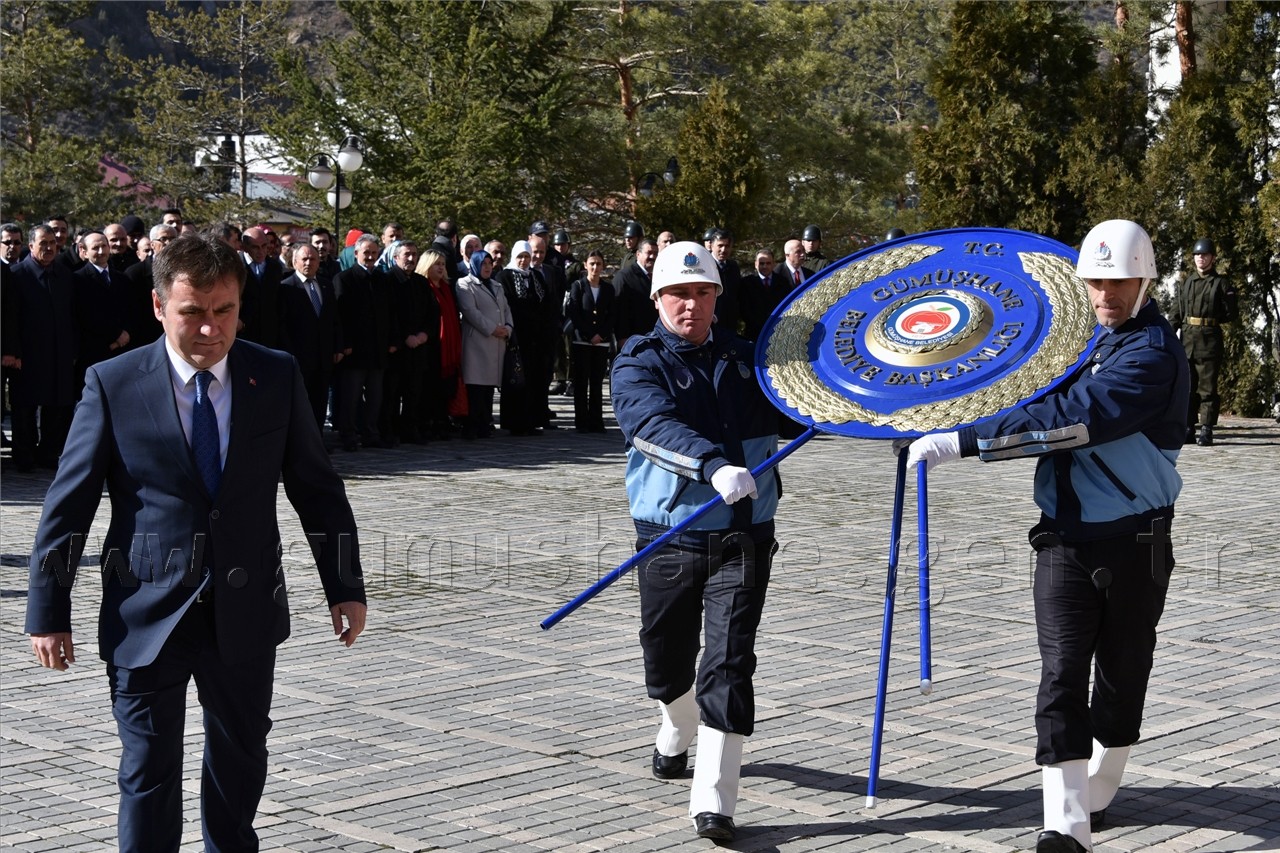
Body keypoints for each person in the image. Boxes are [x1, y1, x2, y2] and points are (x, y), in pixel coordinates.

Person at [24, 233, 367, 853]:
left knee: (240, 762)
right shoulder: (113, 383)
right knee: (148, 770)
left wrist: (344, 585)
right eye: (192, 312)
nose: (210, 329)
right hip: (145, 612)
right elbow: (68, 505)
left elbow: (317, 489)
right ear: (159, 306)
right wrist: (48, 611)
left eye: (224, 311)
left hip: (246, 609)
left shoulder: (276, 374)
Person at [905, 220, 1189, 853]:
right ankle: (1065, 824)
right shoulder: (1083, 343)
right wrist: (930, 405)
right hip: (1062, 539)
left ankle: (1101, 786)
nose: (1106, 294)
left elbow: (1074, 419)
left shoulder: (1152, 355)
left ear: (1145, 282)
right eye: (1096, 282)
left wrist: (966, 442)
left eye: (1120, 282)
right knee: (1061, 671)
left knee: (1122, 671)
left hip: (1137, 541)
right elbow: (1009, 379)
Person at [610, 240, 782, 843]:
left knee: (729, 663)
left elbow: (806, 404)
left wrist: (880, 411)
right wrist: (711, 465)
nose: (692, 304)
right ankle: (677, 724)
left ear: (717, 296)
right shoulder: (637, 361)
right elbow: (649, 423)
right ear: (658, 298)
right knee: (666, 661)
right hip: (670, 535)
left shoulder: (749, 358)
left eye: (703, 292)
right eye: (679, 293)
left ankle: (714, 799)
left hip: (744, 533)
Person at [1168, 237, 1236, 447]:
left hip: (1209, 341)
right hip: (1187, 341)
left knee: (1207, 389)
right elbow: (1177, 311)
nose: (1200, 258)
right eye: (1197, 255)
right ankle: (1188, 427)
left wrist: (1211, 321)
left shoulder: (1220, 283)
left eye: (1204, 255)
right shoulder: (1187, 283)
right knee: (1188, 388)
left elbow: (1231, 313)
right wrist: (1168, 335)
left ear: (1212, 258)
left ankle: (1206, 429)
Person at [456, 250, 512, 439]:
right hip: (477, 343)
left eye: (489, 263)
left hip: (497, 342)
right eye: (483, 264)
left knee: (489, 387)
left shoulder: (497, 285)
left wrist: (508, 328)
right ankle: (472, 425)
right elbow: (470, 312)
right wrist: (493, 329)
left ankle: (485, 424)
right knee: (476, 386)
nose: (487, 267)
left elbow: (506, 309)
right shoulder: (464, 284)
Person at [566, 249, 614, 432]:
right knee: (581, 382)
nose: (595, 267)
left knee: (596, 382)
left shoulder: (608, 289)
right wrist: (588, 334)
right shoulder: (578, 286)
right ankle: (581, 421)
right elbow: (575, 313)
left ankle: (596, 421)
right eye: (592, 263)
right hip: (582, 341)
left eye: (598, 264)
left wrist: (601, 334)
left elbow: (612, 315)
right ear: (585, 265)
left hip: (601, 342)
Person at [413, 250, 459, 440]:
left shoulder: (447, 288)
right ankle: (427, 423)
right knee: (429, 386)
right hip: (430, 345)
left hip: (448, 345)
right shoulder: (423, 287)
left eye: (442, 264)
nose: (441, 268)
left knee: (445, 386)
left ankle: (441, 421)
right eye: (436, 264)